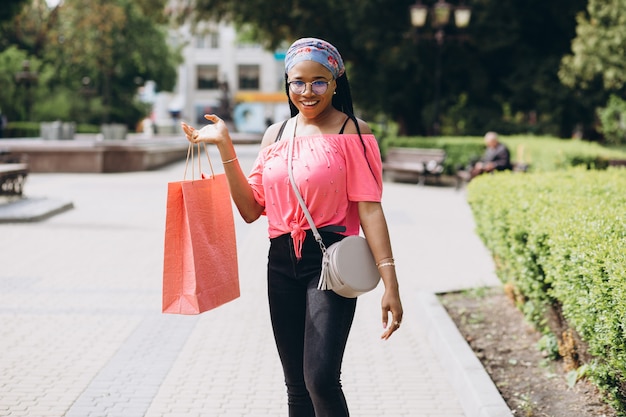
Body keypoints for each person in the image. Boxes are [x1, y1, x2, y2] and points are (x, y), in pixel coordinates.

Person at [181, 37, 403, 417]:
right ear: (287, 84)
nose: (308, 92)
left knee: (320, 379)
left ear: (336, 82)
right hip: (281, 263)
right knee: (297, 387)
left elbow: (370, 210)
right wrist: (224, 147)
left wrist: (391, 283)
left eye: (319, 81)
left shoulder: (354, 132)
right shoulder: (276, 135)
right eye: (297, 82)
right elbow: (251, 210)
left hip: (330, 261)